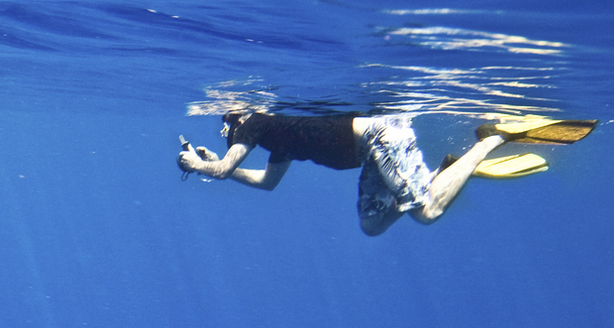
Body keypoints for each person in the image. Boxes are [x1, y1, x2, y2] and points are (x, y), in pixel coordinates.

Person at [176, 112, 592, 236]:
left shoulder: (254, 123)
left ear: (235, 119)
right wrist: (217, 169)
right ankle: (444, 175)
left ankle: (493, 139)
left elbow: (226, 163)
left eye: (224, 127)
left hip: (381, 138)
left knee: (425, 212)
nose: (226, 133)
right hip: (376, 152)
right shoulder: (273, 138)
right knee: (372, 223)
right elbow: (267, 183)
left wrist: (201, 166)